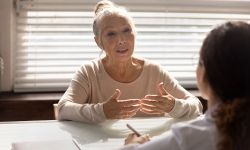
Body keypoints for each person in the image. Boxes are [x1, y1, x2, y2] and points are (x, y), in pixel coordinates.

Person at [57, 0, 202, 124]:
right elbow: (63, 109)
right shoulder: (89, 72)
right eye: (111, 33)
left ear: (135, 34)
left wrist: (173, 106)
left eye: (127, 30)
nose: (122, 40)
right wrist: (102, 111)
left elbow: (196, 106)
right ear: (98, 42)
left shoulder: (155, 72)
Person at [119, 21, 250, 150]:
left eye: (199, 61)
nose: (121, 40)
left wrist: (132, 145)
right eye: (111, 34)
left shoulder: (190, 138)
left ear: (206, 71)